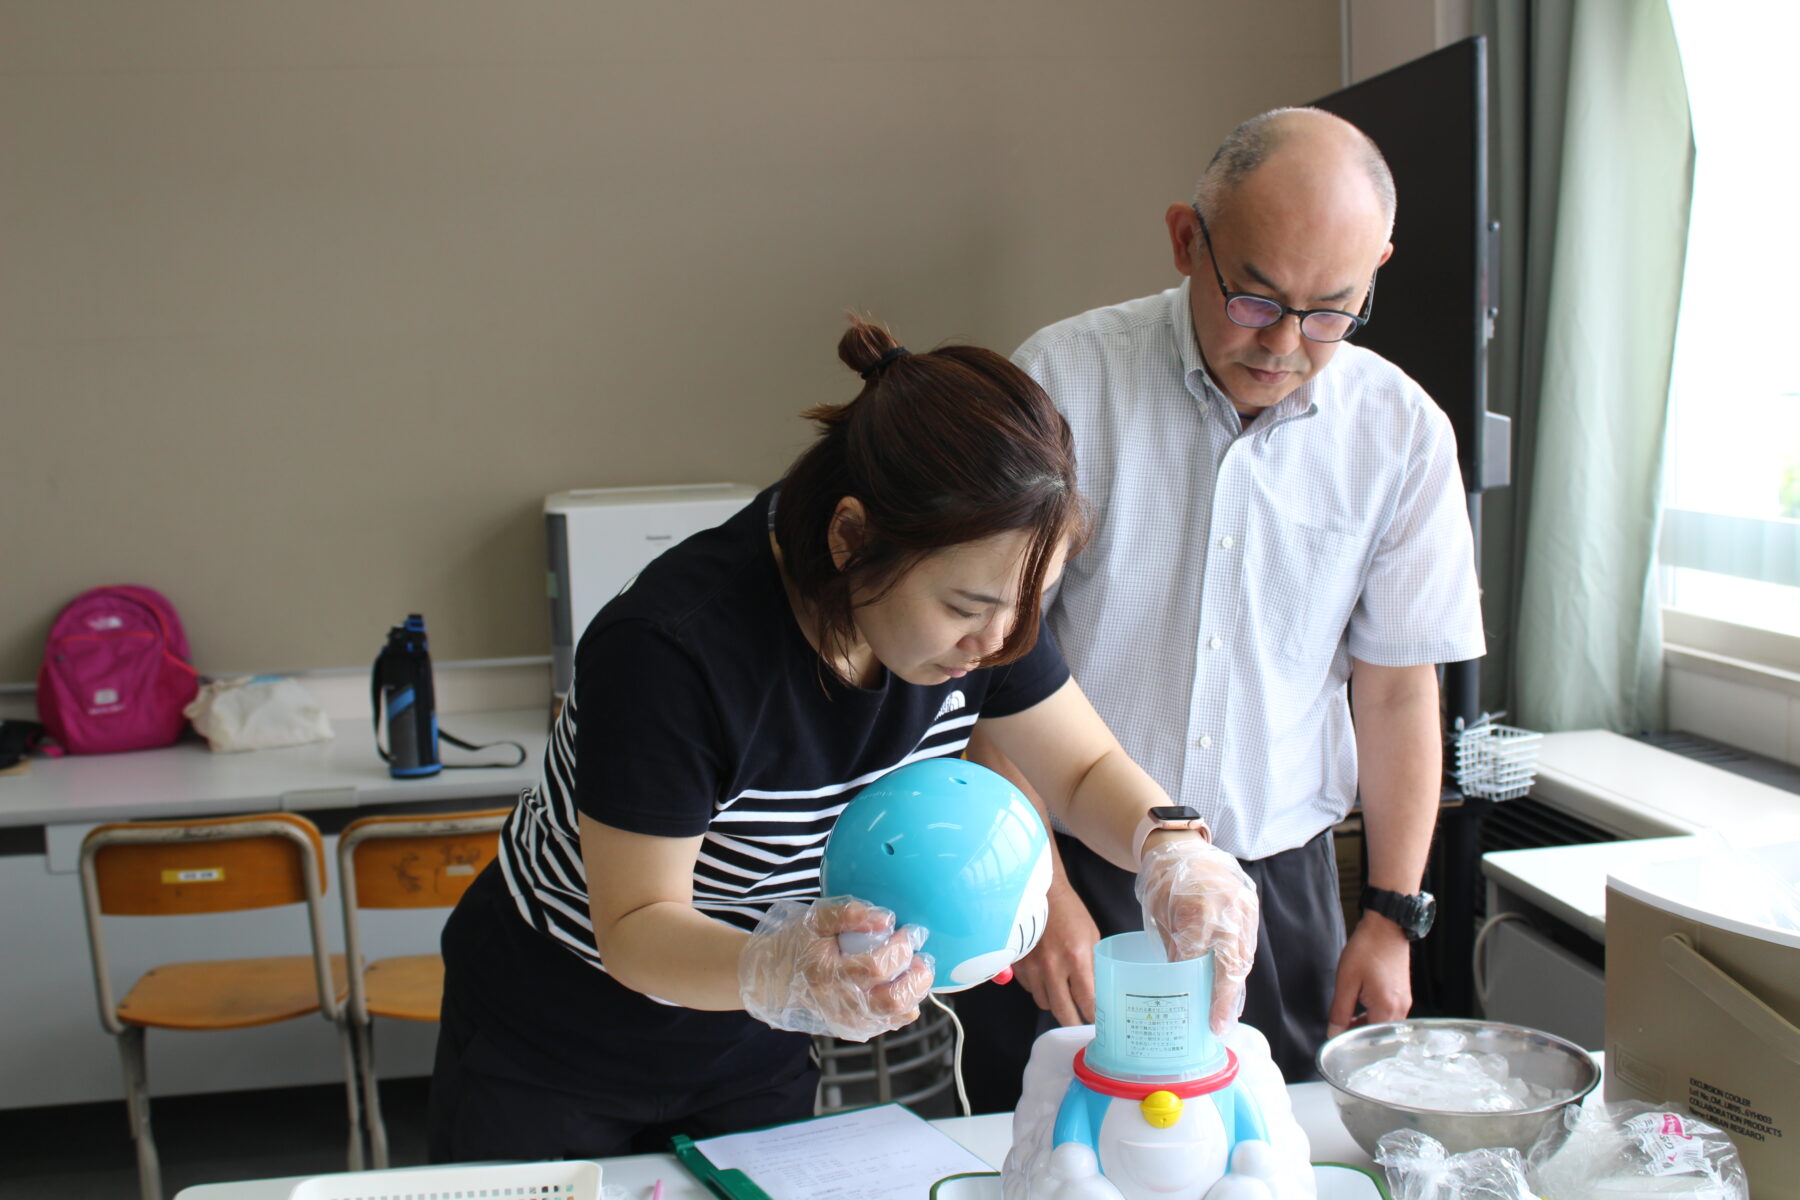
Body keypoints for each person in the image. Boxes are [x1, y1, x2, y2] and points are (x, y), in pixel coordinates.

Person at [427, 317, 1261, 1162]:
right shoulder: (672, 651)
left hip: (756, 1039)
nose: (1000, 642)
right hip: (554, 1036)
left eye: (1028, 603)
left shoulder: (985, 615)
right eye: (969, 608)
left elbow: (1082, 772)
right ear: (850, 538)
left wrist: (1173, 848)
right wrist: (782, 973)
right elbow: (640, 926)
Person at [955, 107, 1486, 1105]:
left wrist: (1390, 912)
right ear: (1186, 239)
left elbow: (1397, 693)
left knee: (1258, 1148)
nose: (1286, 344)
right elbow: (985, 668)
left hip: (1274, 878)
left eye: (1333, 310)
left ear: (1378, 267)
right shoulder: (1062, 383)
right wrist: (1041, 894)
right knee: (1045, 1150)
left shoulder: (1402, 433)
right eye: (1255, 300)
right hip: (1065, 860)